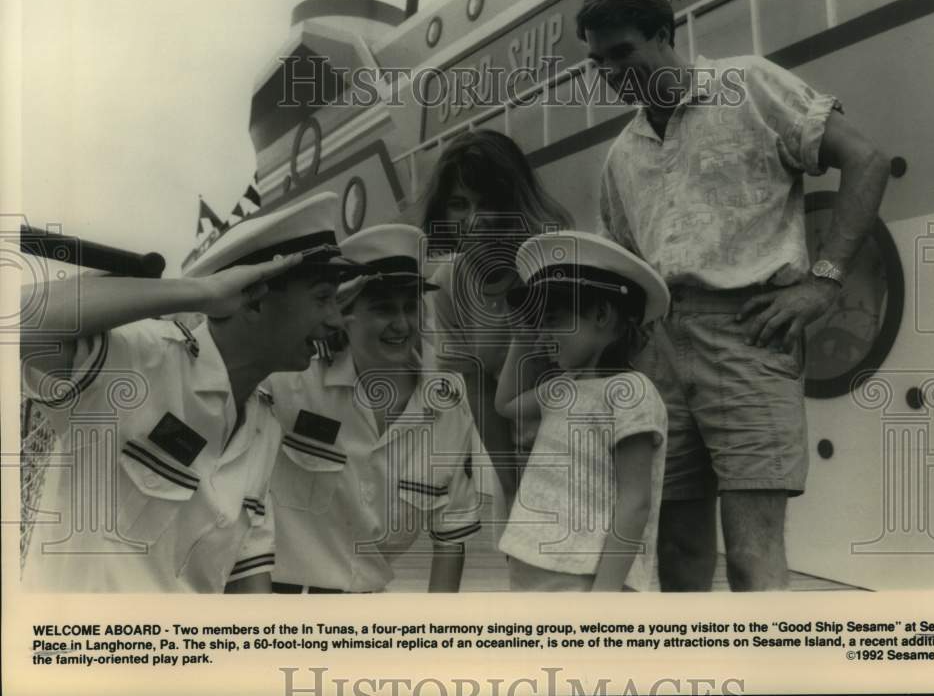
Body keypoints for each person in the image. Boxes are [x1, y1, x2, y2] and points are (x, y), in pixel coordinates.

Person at [575, 0, 892, 591]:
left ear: (664, 35)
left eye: (623, 52)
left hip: (750, 333)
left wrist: (824, 281)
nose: (611, 71)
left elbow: (867, 159)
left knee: (751, 551)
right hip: (660, 348)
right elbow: (622, 266)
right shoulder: (621, 156)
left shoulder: (746, 85)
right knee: (679, 550)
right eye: (598, 60)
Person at [19, 192, 360, 592]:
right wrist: (202, 293)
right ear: (253, 302)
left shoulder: (263, 428)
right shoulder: (141, 362)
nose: (337, 320)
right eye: (322, 299)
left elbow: (247, 581)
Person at [265, 224, 481, 593]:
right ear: (343, 314)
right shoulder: (293, 379)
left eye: (410, 308)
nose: (401, 324)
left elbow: (450, 536)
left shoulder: (447, 403)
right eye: (382, 309)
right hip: (277, 604)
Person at [495, 231, 670, 591]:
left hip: (585, 576)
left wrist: (603, 599)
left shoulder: (630, 392)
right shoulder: (564, 387)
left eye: (553, 319)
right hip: (531, 564)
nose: (543, 334)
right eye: (539, 322)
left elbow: (635, 501)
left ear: (602, 314)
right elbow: (506, 405)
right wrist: (521, 337)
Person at [419, 129, 573, 510]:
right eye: (459, 204)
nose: (475, 220)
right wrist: (512, 485)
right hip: (521, 457)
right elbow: (481, 395)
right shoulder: (449, 285)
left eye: (488, 203)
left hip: (583, 449)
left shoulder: (557, 263)